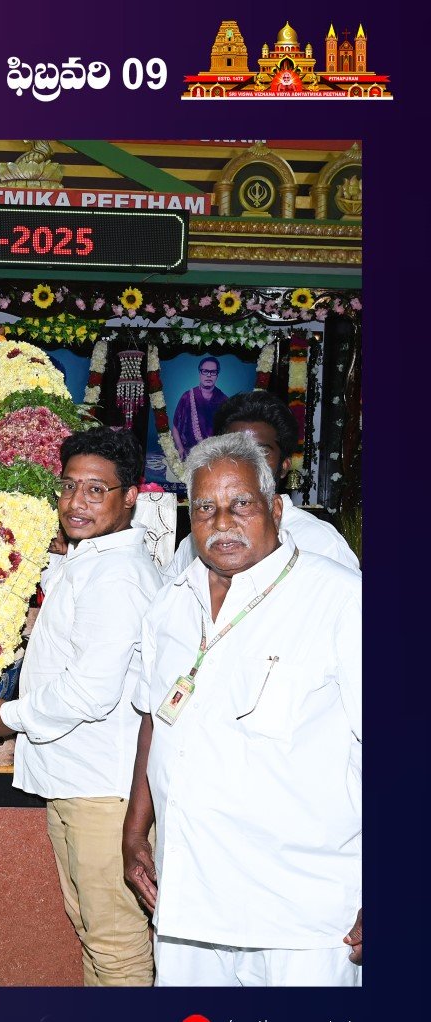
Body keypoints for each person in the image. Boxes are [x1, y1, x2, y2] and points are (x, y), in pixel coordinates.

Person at [122, 432, 362, 987]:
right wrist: (135, 832)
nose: (222, 521)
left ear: (276, 509)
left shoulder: (340, 599)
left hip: (303, 911)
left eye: (241, 504)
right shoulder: (170, 604)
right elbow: (154, 721)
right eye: (205, 507)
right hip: (189, 902)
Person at [0, 429, 160, 986]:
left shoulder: (117, 574)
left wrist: (3, 717)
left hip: (104, 790)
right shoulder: (88, 561)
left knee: (115, 946)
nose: (76, 503)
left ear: (130, 496)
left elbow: (89, 692)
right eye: (68, 487)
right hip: (79, 780)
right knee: (94, 935)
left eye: (96, 490)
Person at [162, 390, 358, 581]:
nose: (246, 462)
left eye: (261, 452)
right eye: (234, 451)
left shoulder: (319, 542)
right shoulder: (197, 542)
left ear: (284, 466)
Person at [170, 355, 228, 460]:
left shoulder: (224, 400)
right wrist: (180, 448)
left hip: (215, 456)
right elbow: (175, 427)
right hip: (189, 454)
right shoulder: (187, 397)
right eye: (205, 371)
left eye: (213, 372)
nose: (209, 375)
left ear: (217, 375)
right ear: (200, 373)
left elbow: (228, 431)